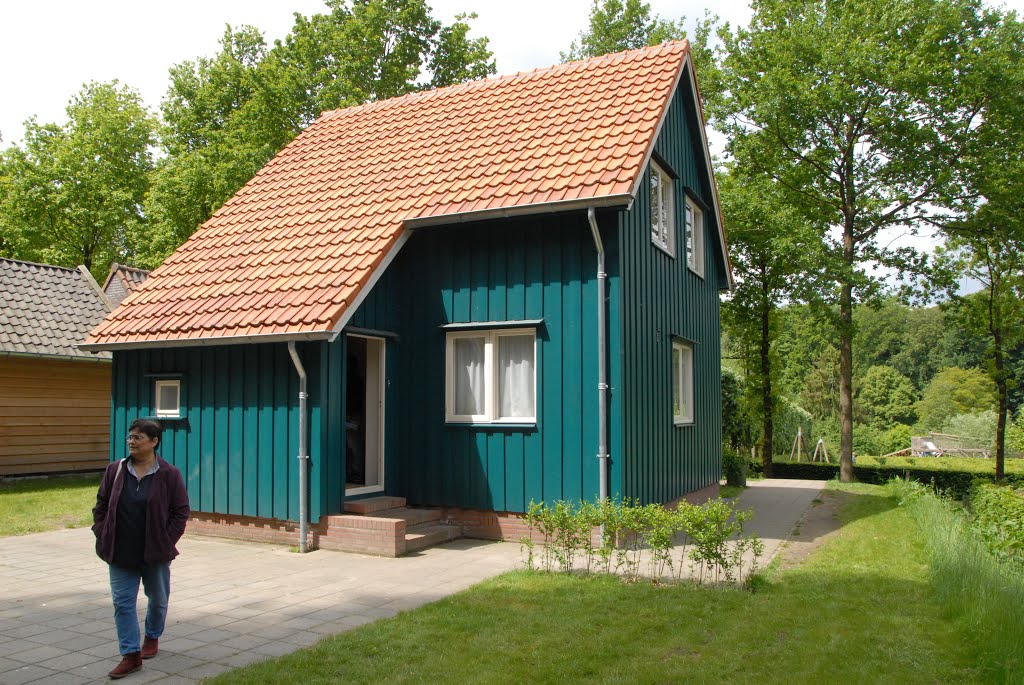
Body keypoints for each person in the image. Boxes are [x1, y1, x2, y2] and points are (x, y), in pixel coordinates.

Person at [92, 418, 190, 679]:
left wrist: (165, 541)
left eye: (138, 438)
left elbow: (180, 512)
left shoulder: (169, 474)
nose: (131, 442)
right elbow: (101, 505)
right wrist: (101, 532)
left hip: (154, 553)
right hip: (120, 550)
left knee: (157, 600)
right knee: (122, 603)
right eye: (130, 437)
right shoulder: (115, 470)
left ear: (154, 442)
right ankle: (131, 655)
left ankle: (152, 635)